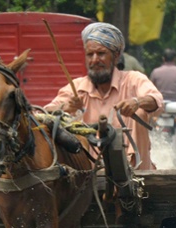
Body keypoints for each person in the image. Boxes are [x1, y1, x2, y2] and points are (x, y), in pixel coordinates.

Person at [45, 22, 163, 171]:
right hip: (88, 178)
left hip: (135, 176)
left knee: (139, 112)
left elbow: (156, 100)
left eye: (101, 53)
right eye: (90, 54)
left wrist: (136, 102)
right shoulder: (76, 88)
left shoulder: (134, 80)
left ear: (116, 56)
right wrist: (64, 108)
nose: (94, 60)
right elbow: (44, 113)